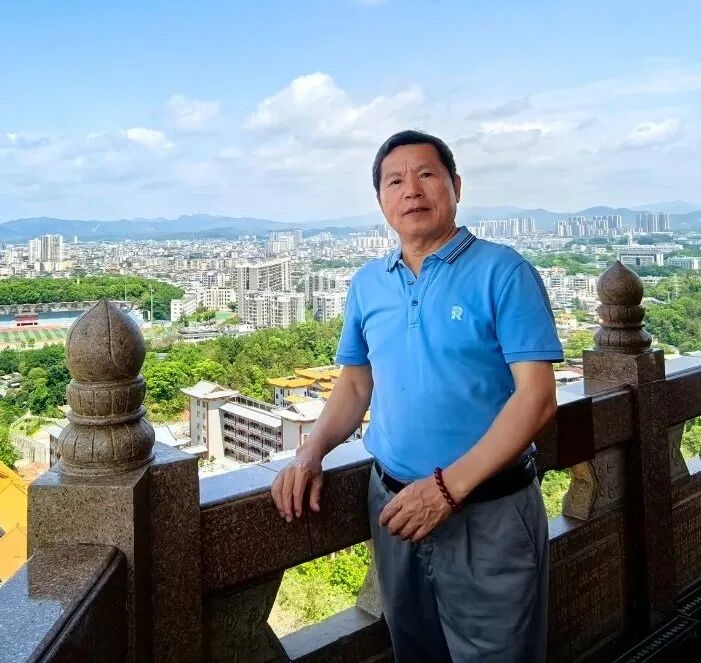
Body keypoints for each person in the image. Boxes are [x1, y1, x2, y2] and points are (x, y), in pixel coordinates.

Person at [271, 130, 563, 662]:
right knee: (415, 650)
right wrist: (310, 452)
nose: (412, 190)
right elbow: (356, 384)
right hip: (393, 507)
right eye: (394, 181)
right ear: (381, 200)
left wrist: (448, 488)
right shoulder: (368, 283)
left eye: (426, 174)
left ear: (455, 185)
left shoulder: (504, 272)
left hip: (488, 509)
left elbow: (537, 397)